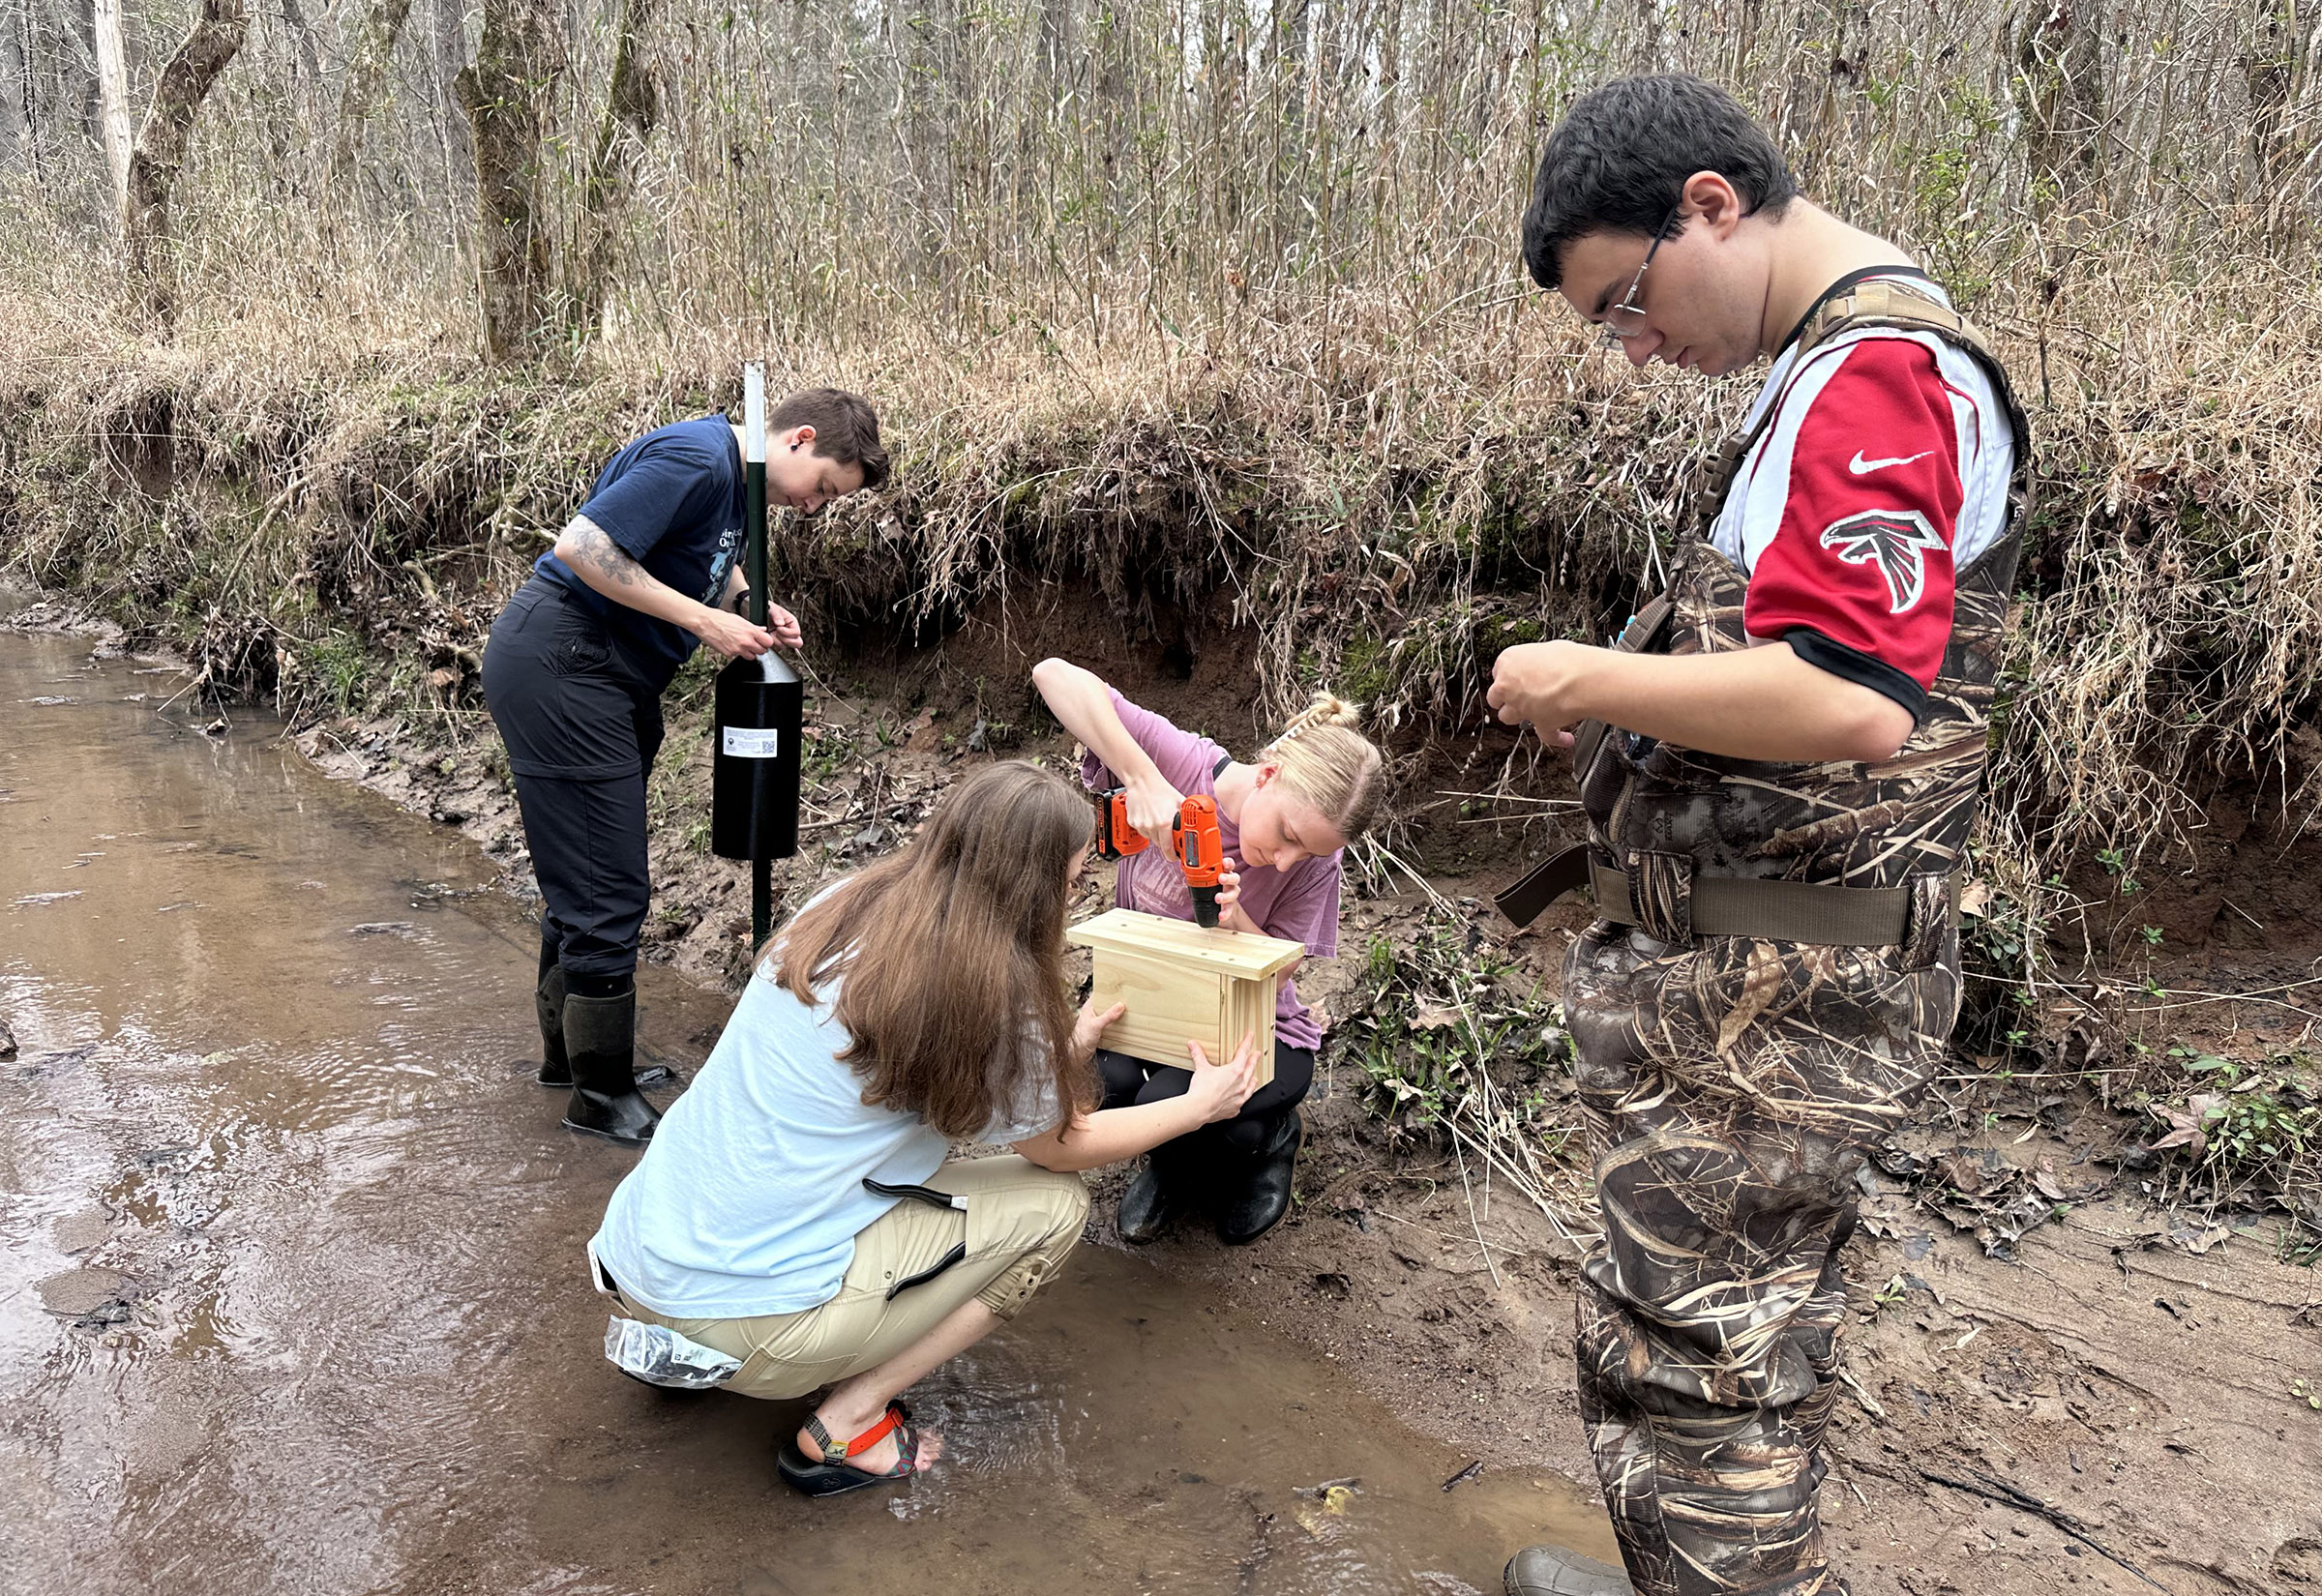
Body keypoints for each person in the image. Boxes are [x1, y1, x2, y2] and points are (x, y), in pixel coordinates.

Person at [1486, 75, 2028, 1596]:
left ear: (1710, 205)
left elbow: (1853, 698)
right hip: (1757, 986)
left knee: (1696, 1366)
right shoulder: (1840, 375)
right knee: (1729, 1332)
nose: (1634, 345)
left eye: (1625, 300)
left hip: (1779, 999)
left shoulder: (1878, 380)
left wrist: (1581, 675)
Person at [586, 761, 1261, 1493]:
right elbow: (1061, 1149)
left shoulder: (850, 900)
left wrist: (1059, 1052)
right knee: (1055, 1209)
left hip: (635, 1262)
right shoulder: (998, 990)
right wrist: (1199, 1105)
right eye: (1070, 878)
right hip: (746, 1326)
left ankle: (697, 1353)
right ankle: (847, 1421)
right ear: (1031, 887)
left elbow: (932, 1083)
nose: (1075, 892)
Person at [481, 388, 889, 1147]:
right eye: (825, 489)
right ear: (799, 440)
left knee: (586, 873)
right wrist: (706, 622)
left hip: (603, 674)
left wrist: (745, 600)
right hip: (564, 664)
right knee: (608, 883)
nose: (814, 508)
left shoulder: (732, 481)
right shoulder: (697, 459)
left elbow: (699, 554)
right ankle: (601, 1097)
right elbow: (585, 548)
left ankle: (573, 1064)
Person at [1031, 658, 1387, 1245]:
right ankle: (1169, 1165)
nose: (1284, 861)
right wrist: (1143, 779)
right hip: (1149, 994)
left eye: (1306, 854)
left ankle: (1266, 1145)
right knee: (1106, 1082)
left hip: (1253, 1018)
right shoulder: (1184, 763)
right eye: (1289, 836)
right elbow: (1053, 676)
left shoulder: (1317, 858)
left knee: (1186, 1104)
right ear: (1269, 774)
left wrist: (1235, 916)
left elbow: (1286, 968)